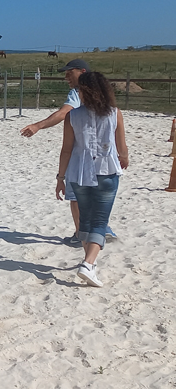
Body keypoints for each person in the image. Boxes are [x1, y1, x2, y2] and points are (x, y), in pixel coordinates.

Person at [20, 59, 116, 245]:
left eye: (68, 73)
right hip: (104, 157)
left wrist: (38, 126)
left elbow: (64, 113)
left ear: (81, 71)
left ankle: (81, 234)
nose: (66, 77)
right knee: (99, 195)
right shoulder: (105, 95)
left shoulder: (77, 93)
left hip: (82, 155)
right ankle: (103, 229)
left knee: (76, 196)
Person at [56, 72, 128, 287]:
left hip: (79, 172)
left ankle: (90, 264)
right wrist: (124, 158)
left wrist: (60, 177)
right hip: (106, 171)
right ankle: (88, 264)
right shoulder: (115, 113)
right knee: (99, 221)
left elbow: (66, 150)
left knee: (85, 220)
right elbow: (122, 147)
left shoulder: (72, 115)